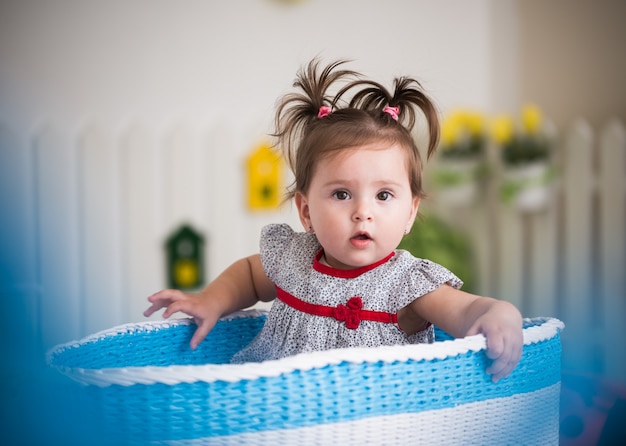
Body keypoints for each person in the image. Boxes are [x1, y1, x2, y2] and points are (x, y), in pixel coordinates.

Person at [144, 59, 523, 382]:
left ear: (410, 213)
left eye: (384, 195)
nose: (363, 211)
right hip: (268, 407)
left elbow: (464, 310)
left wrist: (498, 313)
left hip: (364, 424)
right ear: (306, 211)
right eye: (342, 194)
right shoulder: (293, 257)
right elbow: (248, 275)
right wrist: (210, 300)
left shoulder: (407, 283)